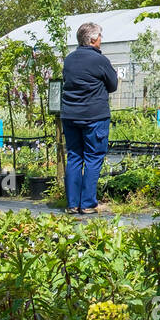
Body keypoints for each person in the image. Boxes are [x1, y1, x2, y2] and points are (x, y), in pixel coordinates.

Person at [61, 22, 118, 215]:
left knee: (75, 157)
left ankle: (72, 204)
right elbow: (113, 85)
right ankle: (87, 203)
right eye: (100, 36)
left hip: (69, 115)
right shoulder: (99, 60)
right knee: (93, 157)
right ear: (93, 39)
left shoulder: (68, 60)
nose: (101, 40)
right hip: (94, 116)